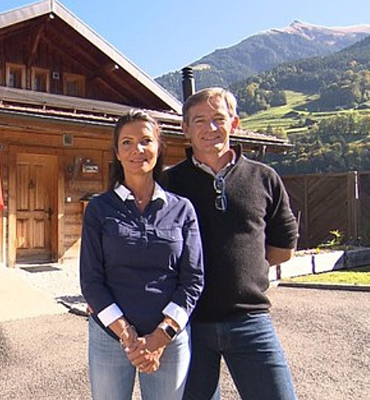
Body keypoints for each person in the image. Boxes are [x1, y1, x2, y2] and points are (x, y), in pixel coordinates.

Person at [163, 88, 300, 400]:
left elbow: (283, 248)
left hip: (250, 320)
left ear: (234, 123)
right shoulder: (169, 183)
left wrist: (243, 269)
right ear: (185, 129)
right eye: (199, 120)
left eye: (218, 119)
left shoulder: (264, 177)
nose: (210, 128)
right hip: (188, 323)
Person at [80, 109, 204, 400]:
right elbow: (91, 281)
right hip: (110, 337)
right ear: (117, 152)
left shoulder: (182, 209)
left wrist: (160, 337)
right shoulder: (100, 209)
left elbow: (193, 280)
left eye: (146, 140)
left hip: (169, 339)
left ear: (159, 148)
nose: (137, 149)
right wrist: (128, 336)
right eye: (127, 142)